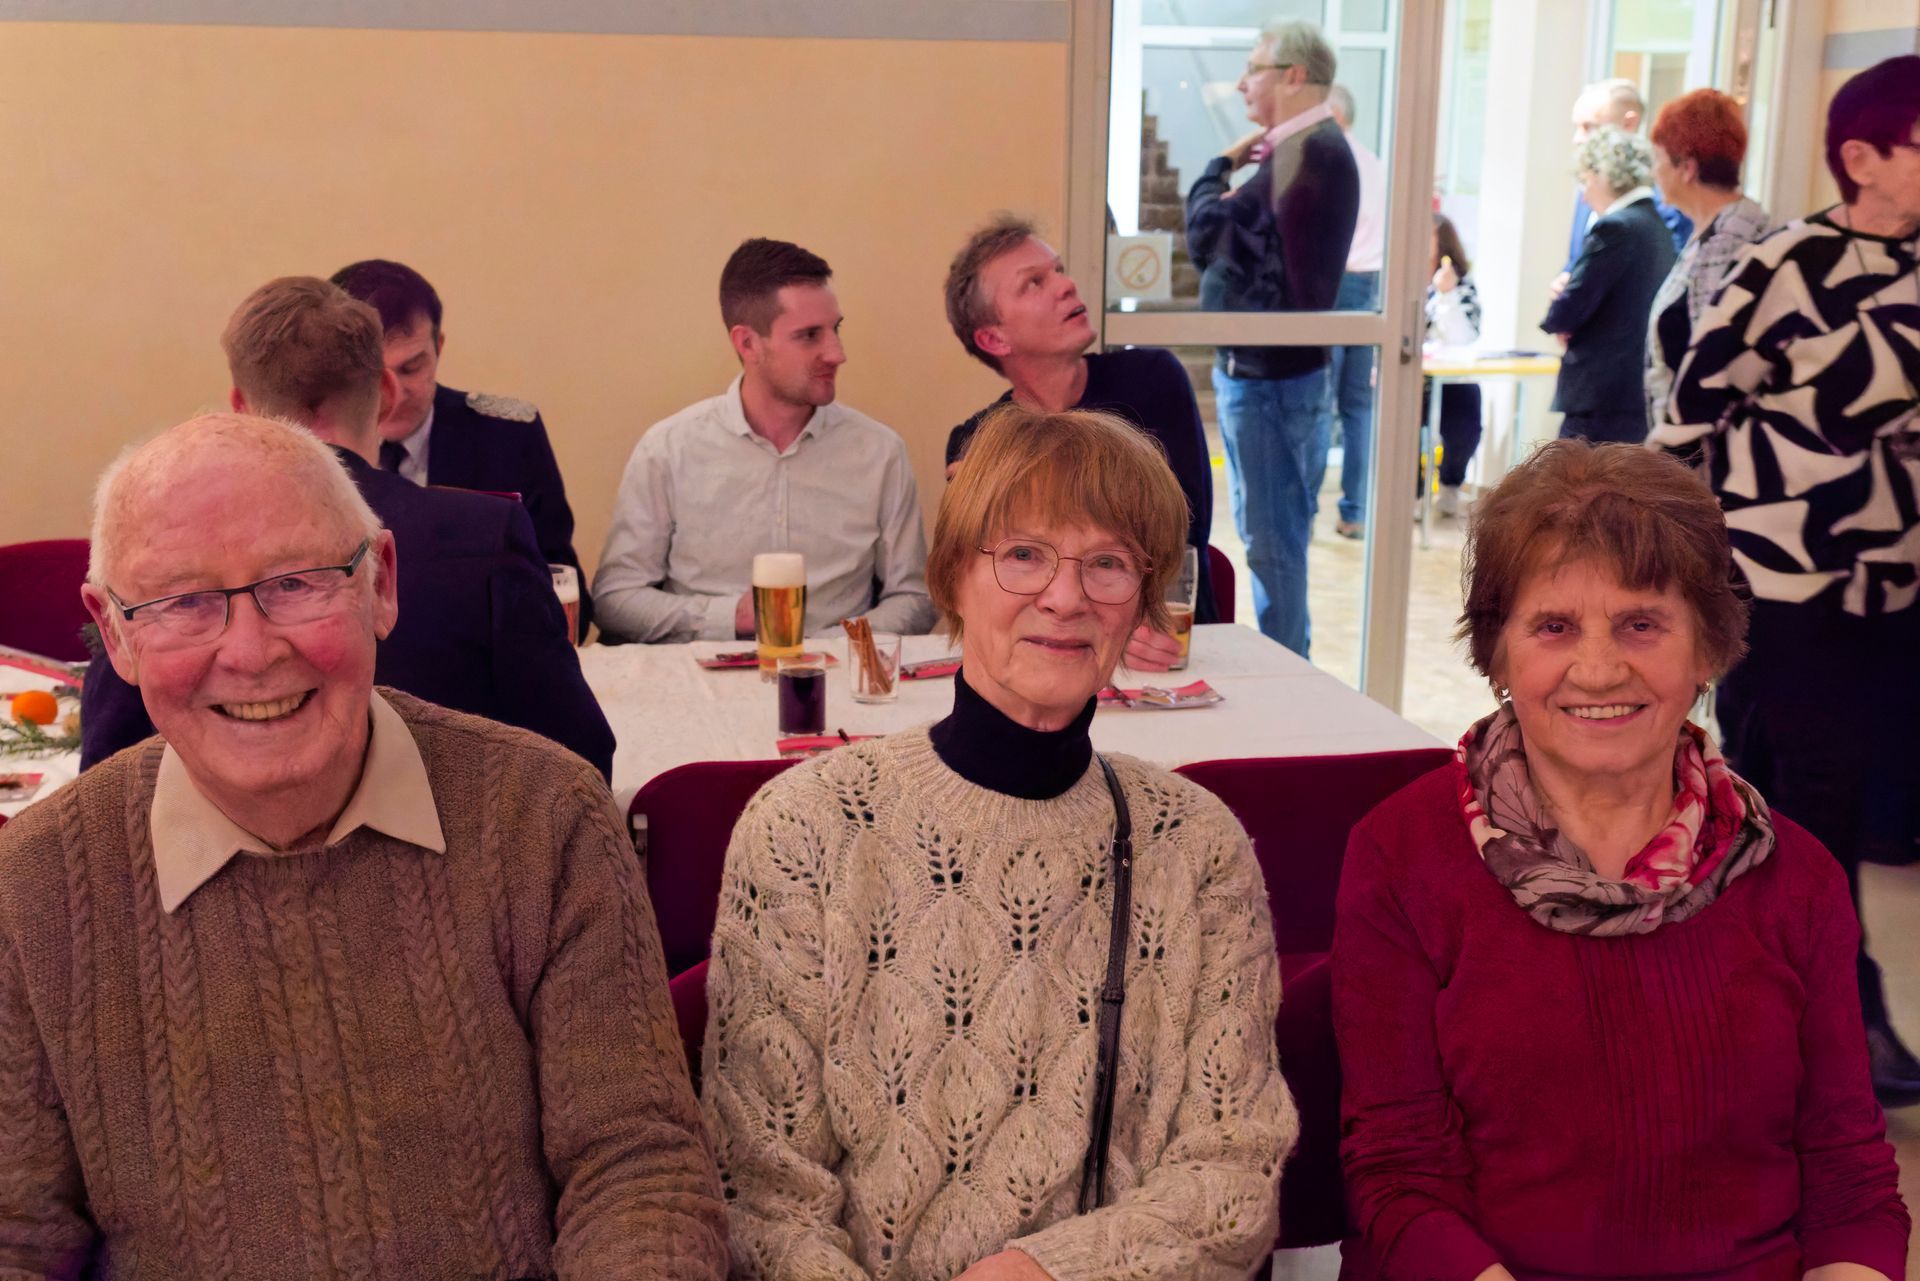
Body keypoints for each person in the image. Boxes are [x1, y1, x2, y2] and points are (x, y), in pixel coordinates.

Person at [0, 413, 727, 1276]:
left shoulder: (544, 818)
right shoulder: (36, 885)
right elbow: (17, 1233)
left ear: (380, 582)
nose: (250, 651)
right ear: (114, 632)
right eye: (182, 601)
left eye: (296, 581)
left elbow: (636, 1172)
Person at [702, 406, 1294, 1281]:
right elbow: (761, 1195)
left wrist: (1047, 1273)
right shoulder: (806, 830)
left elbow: (1232, 1175)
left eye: (1108, 564)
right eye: (1023, 554)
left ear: (1142, 603)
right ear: (952, 577)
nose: (1065, 597)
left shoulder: (1196, 847)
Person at [1333, 440, 1909, 1280]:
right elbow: (1399, 1174)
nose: (1599, 669)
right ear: (1497, 652)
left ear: (1708, 647)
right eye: (1554, 626)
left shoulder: (1796, 874)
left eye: (1642, 624)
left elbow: (1850, 1182)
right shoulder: (1402, 854)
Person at [1653, 54, 1920, 1103]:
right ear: (1862, 157)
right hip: (1784, 583)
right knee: (1806, 801)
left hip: (1894, 590)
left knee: (1818, 803)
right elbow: (1689, 417)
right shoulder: (1790, 264)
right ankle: (1832, 1021)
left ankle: (1776, 1002)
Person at [78, 277, 616, 781]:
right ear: (386, 392)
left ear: (240, 406)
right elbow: (578, 756)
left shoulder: (169, 549)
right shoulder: (485, 535)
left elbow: (110, 771)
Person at [594, 238, 934, 642]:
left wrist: (838, 645)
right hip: (700, 673)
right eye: (809, 335)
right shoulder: (668, 450)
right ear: (747, 343)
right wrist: (728, 617)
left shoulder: (880, 453)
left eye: (836, 329)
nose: (836, 353)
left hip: (834, 673)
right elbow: (615, 600)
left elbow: (915, 598)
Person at [942, 214, 1217, 664]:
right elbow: (992, 579)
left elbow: (1180, 533)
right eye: (1033, 283)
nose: (1066, 286)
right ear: (994, 338)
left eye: (1059, 270)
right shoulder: (978, 440)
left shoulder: (1152, 378)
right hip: (1050, 650)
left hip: (1165, 645)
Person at [1185, 18, 1359, 657]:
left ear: (1293, 75)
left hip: (1272, 382)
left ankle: (1291, 673)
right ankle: (1291, 664)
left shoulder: (1308, 155)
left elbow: (1208, 235)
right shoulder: (1302, 151)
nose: (1240, 84)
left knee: (1273, 544)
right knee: (1272, 540)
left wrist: (1216, 168)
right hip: (1269, 377)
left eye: (1252, 69)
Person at [330, 258, 593, 639]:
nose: (395, 392)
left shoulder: (508, 436)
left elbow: (562, 591)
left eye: (412, 367)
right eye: (374, 374)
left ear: (438, 347)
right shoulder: (310, 447)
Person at [1643, 88, 1773, 429]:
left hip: (1705, 444)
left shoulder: (1728, 240)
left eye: (1658, 159)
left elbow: (1714, 363)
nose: (1654, 172)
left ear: (1687, 168)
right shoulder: (1713, 230)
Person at [1542, 126, 1676, 444]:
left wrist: (1560, 307)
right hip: (1634, 392)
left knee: (1573, 474)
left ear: (1603, 175)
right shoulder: (1657, 227)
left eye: (1586, 181)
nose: (1585, 195)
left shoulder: (1615, 227)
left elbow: (1571, 306)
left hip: (1600, 395)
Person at [1556, 79, 1691, 290]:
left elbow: (1670, 274)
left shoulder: (1667, 197)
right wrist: (1566, 277)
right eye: (1577, 127)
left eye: (1589, 127)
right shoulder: (1588, 188)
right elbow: (1578, 258)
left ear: (1629, 123)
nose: (1578, 139)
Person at [1326, 83, 1387, 540]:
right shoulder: (1376, 164)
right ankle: (1357, 510)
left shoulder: (1329, 162)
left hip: (1333, 284)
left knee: (1316, 404)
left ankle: (1305, 509)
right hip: (1371, 287)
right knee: (1358, 408)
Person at [1425, 214, 1484, 518]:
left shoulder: (1462, 284)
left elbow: (1465, 336)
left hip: (1451, 375)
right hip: (1413, 376)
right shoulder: (1400, 280)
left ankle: (1450, 485)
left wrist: (1447, 294)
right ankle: (1410, 493)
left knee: (1466, 421)